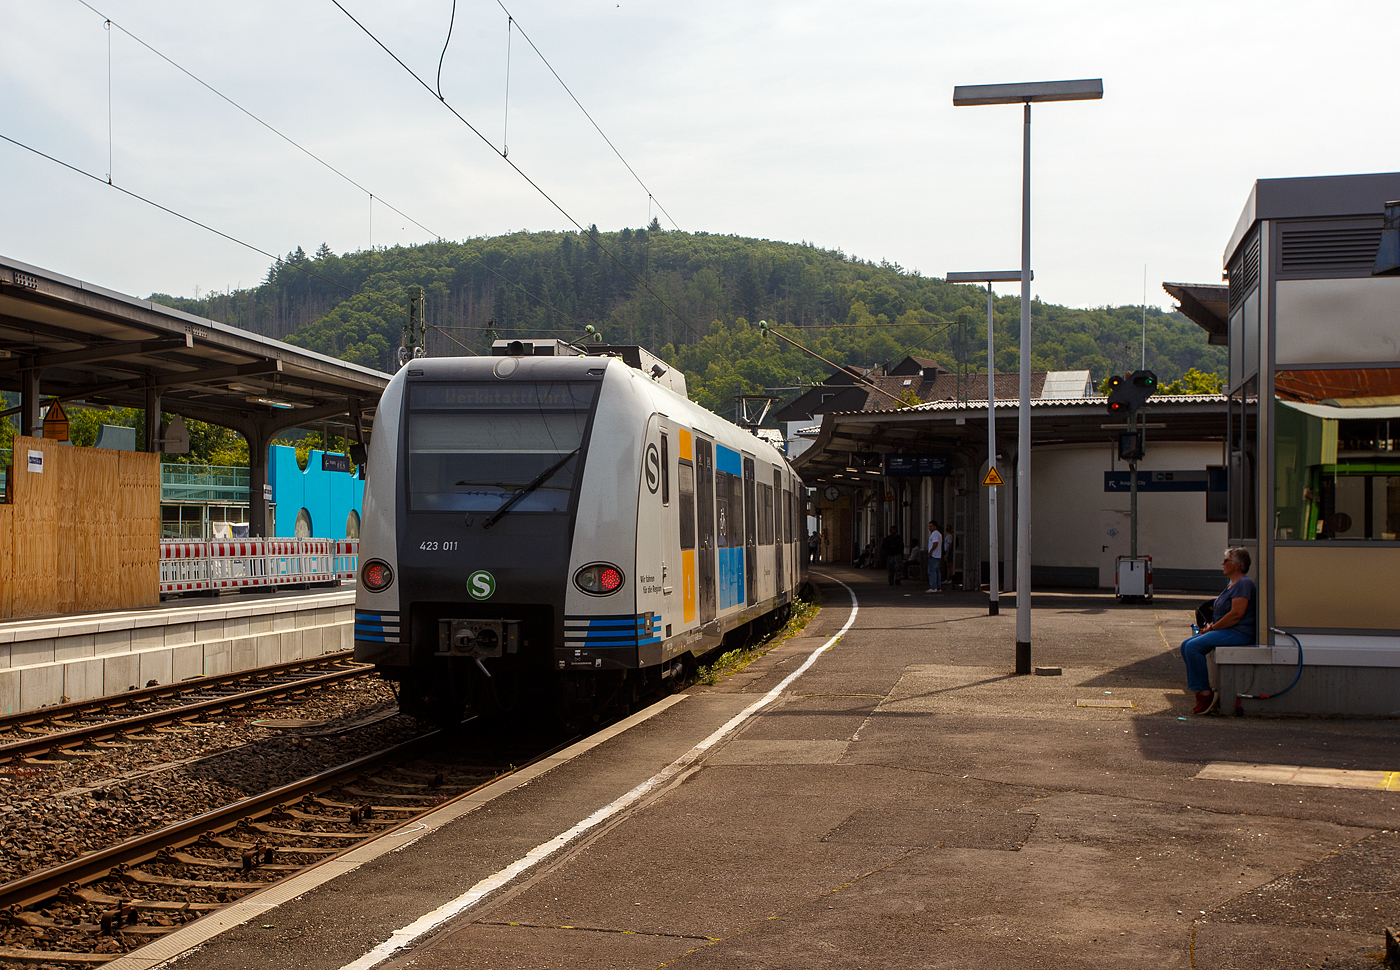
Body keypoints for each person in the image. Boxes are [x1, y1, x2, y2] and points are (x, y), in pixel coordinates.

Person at [1179, 547, 1257, 715]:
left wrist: (1212, 628)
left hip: (1239, 632)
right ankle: (1199, 691)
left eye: (1226, 560)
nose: (1222, 563)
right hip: (1226, 629)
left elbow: (1236, 614)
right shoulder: (1232, 584)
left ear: (1237, 565)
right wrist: (1210, 626)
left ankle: (1205, 694)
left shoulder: (1244, 584)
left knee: (1193, 647)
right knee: (1186, 644)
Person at [924, 520, 942, 593]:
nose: (929, 528)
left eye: (931, 526)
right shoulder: (939, 534)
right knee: (937, 571)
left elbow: (935, 543)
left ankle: (933, 587)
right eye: (929, 526)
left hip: (933, 555)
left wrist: (931, 551)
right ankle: (938, 587)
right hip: (938, 555)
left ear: (935, 526)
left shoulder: (934, 534)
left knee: (932, 571)